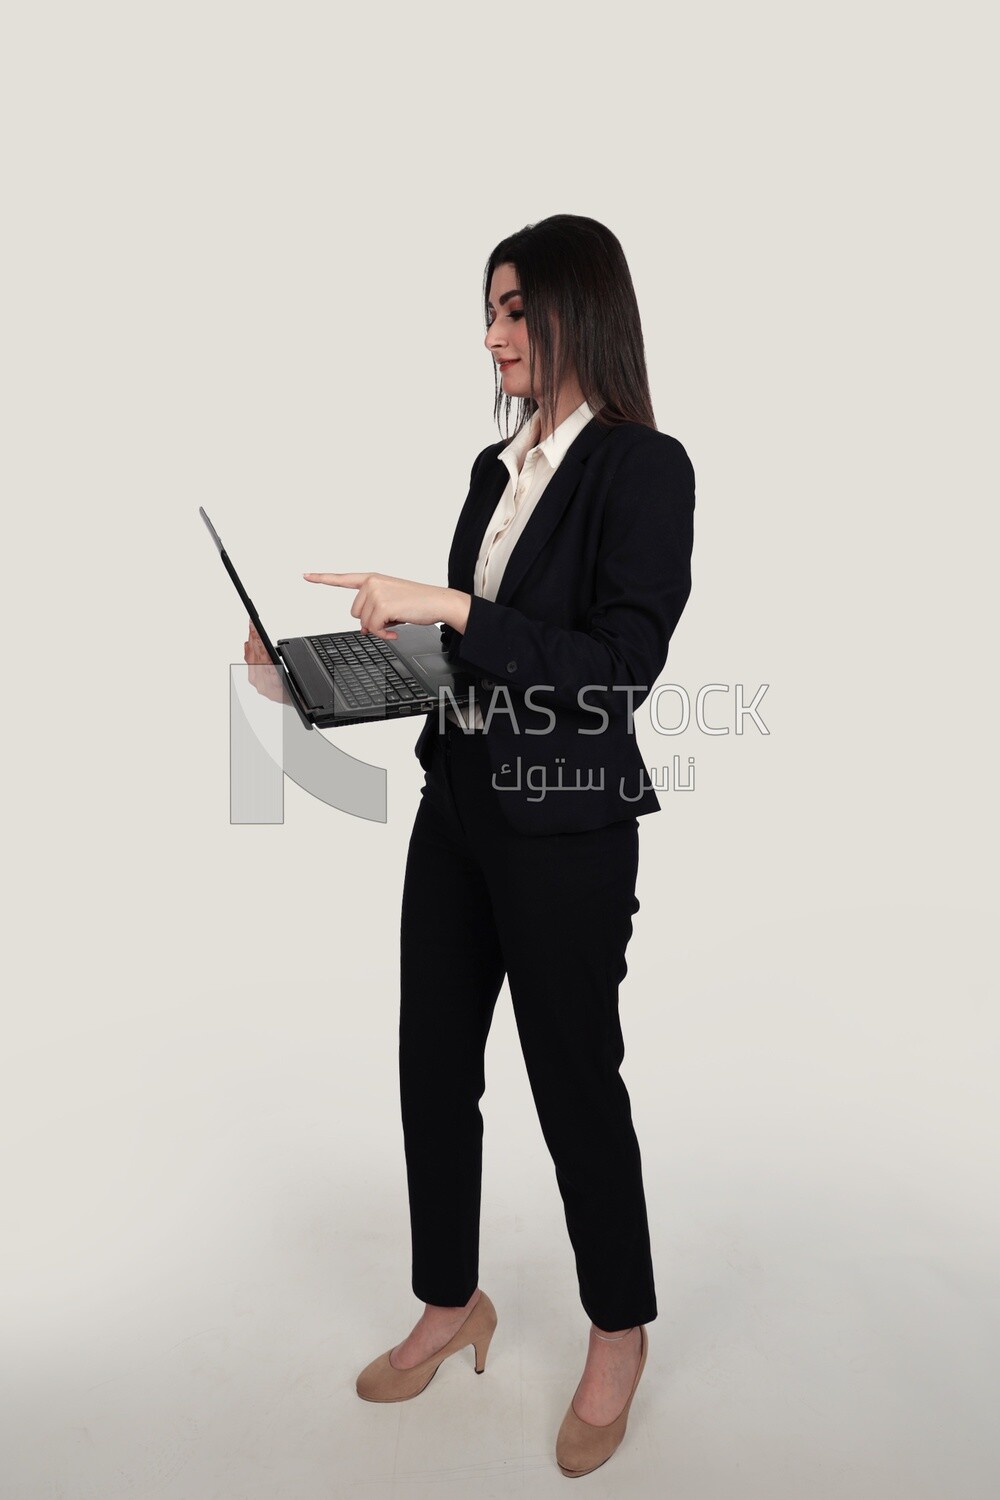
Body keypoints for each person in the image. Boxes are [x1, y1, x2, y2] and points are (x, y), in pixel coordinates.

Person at [244, 214, 695, 1477]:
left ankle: (620, 1330)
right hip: (458, 813)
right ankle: (451, 1303)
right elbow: (459, 662)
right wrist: (316, 683)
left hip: (566, 830)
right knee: (432, 1065)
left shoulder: (645, 468)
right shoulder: (492, 474)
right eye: (487, 311)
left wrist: (453, 603)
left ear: (574, 314)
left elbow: (615, 670)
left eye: (512, 310)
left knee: (572, 1083)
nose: (491, 334)